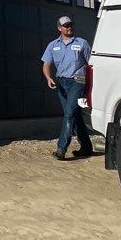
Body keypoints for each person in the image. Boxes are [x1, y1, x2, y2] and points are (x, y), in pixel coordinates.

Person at [41, 15, 95, 160]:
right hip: (62, 84)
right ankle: (86, 147)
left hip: (78, 82)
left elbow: (92, 64)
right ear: (59, 28)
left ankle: (61, 148)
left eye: (70, 25)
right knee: (74, 116)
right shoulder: (53, 45)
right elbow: (46, 64)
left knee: (69, 114)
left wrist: (89, 86)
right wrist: (48, 78)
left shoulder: (82, 43)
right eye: (66, 26)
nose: (69, 27)